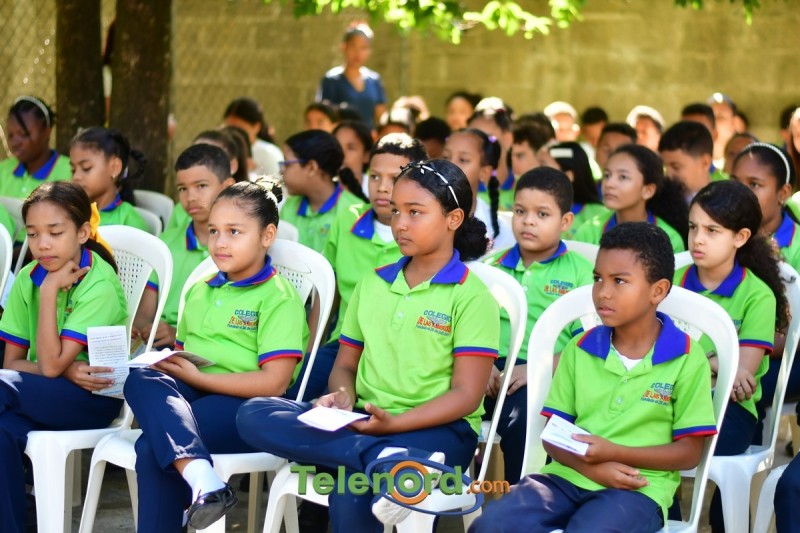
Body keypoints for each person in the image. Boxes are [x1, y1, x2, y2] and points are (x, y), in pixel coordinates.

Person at [236, 159, 500, 532]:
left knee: (348, 491)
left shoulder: (471, 297)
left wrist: (397, 423)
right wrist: (344, 397)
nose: (400, 223)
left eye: (415, 212)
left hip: (441, 432)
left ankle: (384, 459)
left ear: (453, 219)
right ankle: (383, 459)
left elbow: (466, 396)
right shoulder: (372, 283)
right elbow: (345, 365)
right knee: (255, 413)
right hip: (366, 423)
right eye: (396, 211)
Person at [470, 222, 716, 533]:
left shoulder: (686, 358)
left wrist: (613, 453)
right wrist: (595, 469)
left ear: (658, 290)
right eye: (598, 278)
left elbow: (689, 453)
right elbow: (553, 435)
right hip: (565, 477)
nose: (604, 292)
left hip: (638, 488)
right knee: (490, 525)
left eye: (619, 281)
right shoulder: (579, 348)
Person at [123, 178, 308, 531]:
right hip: (195, 391)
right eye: (213, 231)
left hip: (248, 406)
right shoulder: (200, 289)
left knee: (151, 447)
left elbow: (275, 382)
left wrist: (200, 379)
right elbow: (184, 354)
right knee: (140, 378)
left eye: (234, 232)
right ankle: (203, 478)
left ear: (267, 235)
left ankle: (202, 479)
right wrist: (171, 366)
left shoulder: (278, 298)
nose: (220, 242)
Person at [0, 181, 127, 532]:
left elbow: (49, 365)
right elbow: (12, 363)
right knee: (2, 430)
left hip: (94, 398)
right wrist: (68, 370)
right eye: (33, 234)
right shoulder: (28, 277)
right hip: (37, 390)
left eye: (55, 233)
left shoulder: (99, 285)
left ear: (82, 232)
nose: (42, 244)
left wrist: (49, 291)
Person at [674, 180, 788, 532]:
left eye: (712, 230)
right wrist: (714, 362)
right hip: (665, 399)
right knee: (636, 436)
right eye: (693, 227)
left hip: (728, 412)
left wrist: (690, 362)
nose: (698, 239)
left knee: (650, 439)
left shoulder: (757, 295)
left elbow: (740, 377)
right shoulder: (669, 283)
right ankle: (664, 521)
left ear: (740, 237)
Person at [483, 168, 593, 484]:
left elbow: (588, 343)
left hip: (544, 375)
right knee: (443, 407)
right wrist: (480, 363)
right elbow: (471, 326)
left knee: (524, 421)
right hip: (485, 368)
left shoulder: (581, 274)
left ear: (565, 221)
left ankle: (521, 497)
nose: (528, 221)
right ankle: (438, 491)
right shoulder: (492, 265)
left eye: (542, 214)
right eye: (520, 212)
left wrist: (536, 368)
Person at [297, 133, 427, 403]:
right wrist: (310, 352)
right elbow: (328, 294)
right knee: (294, 390)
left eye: (394, 178)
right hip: (343, 345)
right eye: (375, 176)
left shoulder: (423, 233)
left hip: (398, 355)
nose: (382, 187)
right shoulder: (347, 220)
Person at [729, 143, 800, 442]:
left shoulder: (796, 245)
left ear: (783, 193)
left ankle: (744, 459)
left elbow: (794, 337)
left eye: (754, 185)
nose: (741, 194)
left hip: (786, 356)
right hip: (728, 350)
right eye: (735, 182)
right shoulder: (719, 235)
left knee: (743, 388)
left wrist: (738, 352)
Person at [134, 144, 235, 350]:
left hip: (213, 349)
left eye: (201, 186)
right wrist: (141, 330)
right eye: (182, 189)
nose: (190, 197)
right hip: (160, 348)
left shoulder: (239, 247)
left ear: (227, 187)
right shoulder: (165, 243)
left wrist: (178, 335)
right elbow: (145, 313)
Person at [573, 144, 687, 253]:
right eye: (607, 175)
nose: (609, 184)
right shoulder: (589, 231)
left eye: (623, 177)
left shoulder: (670, 239)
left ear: (648, 191)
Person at [279, 130, 363, 252]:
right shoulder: (289, 207)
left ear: (311, 168)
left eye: (287, 164)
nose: (281, 171)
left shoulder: (354, 211)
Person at [443, 128, 515, 250]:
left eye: (463, 160)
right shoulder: (420, 214)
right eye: (445, 157)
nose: (449, 165)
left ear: (484, 172)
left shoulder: (502, 233)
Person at [69, 127, 149, 232]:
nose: (76, 177)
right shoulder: (71, 214)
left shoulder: (129, 221)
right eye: (73, 170)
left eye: (86, 168)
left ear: (114, 167)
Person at [317, 21, 386, 129]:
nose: (357, 53)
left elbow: (381, 116)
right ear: (343, 47)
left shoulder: (374, 80)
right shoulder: (332, 80)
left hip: (367, 137)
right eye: (353, 47)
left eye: (363, 48)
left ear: (369, 51)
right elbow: (324, 115)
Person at [0, 96, 71, 200]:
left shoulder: (72, 172)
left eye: (24, 134)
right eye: (11, 135)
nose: (14, 142)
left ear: (47, 131)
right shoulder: (3, 170)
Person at [542, 142, 608, 239]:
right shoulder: (536, 208)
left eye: (544, 168)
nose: (538, 173)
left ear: (568, 175)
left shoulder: (600, 215)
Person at [658, 121, 724, 200]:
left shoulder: (725, 201)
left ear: (705, 163)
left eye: (676, 167)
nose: (668, 175)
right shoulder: (658, 201)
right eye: (664, 166)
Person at [223, 97, 283, 175]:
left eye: (239, 129)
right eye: (228, 128)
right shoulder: (223, 149)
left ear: (256, 127)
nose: (233, 133)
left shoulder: (270, 154)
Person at [333, 120, 373, 197]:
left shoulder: (376, 190)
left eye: (351, 148)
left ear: (366, 156)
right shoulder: (322, 191)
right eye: (337, 146)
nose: (341, 153)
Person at [707, 93, 737, 168]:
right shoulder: (694, 161)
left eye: (720, 117)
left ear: (734, 123)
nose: (714, 122)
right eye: (711, 117)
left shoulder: (740, 163)